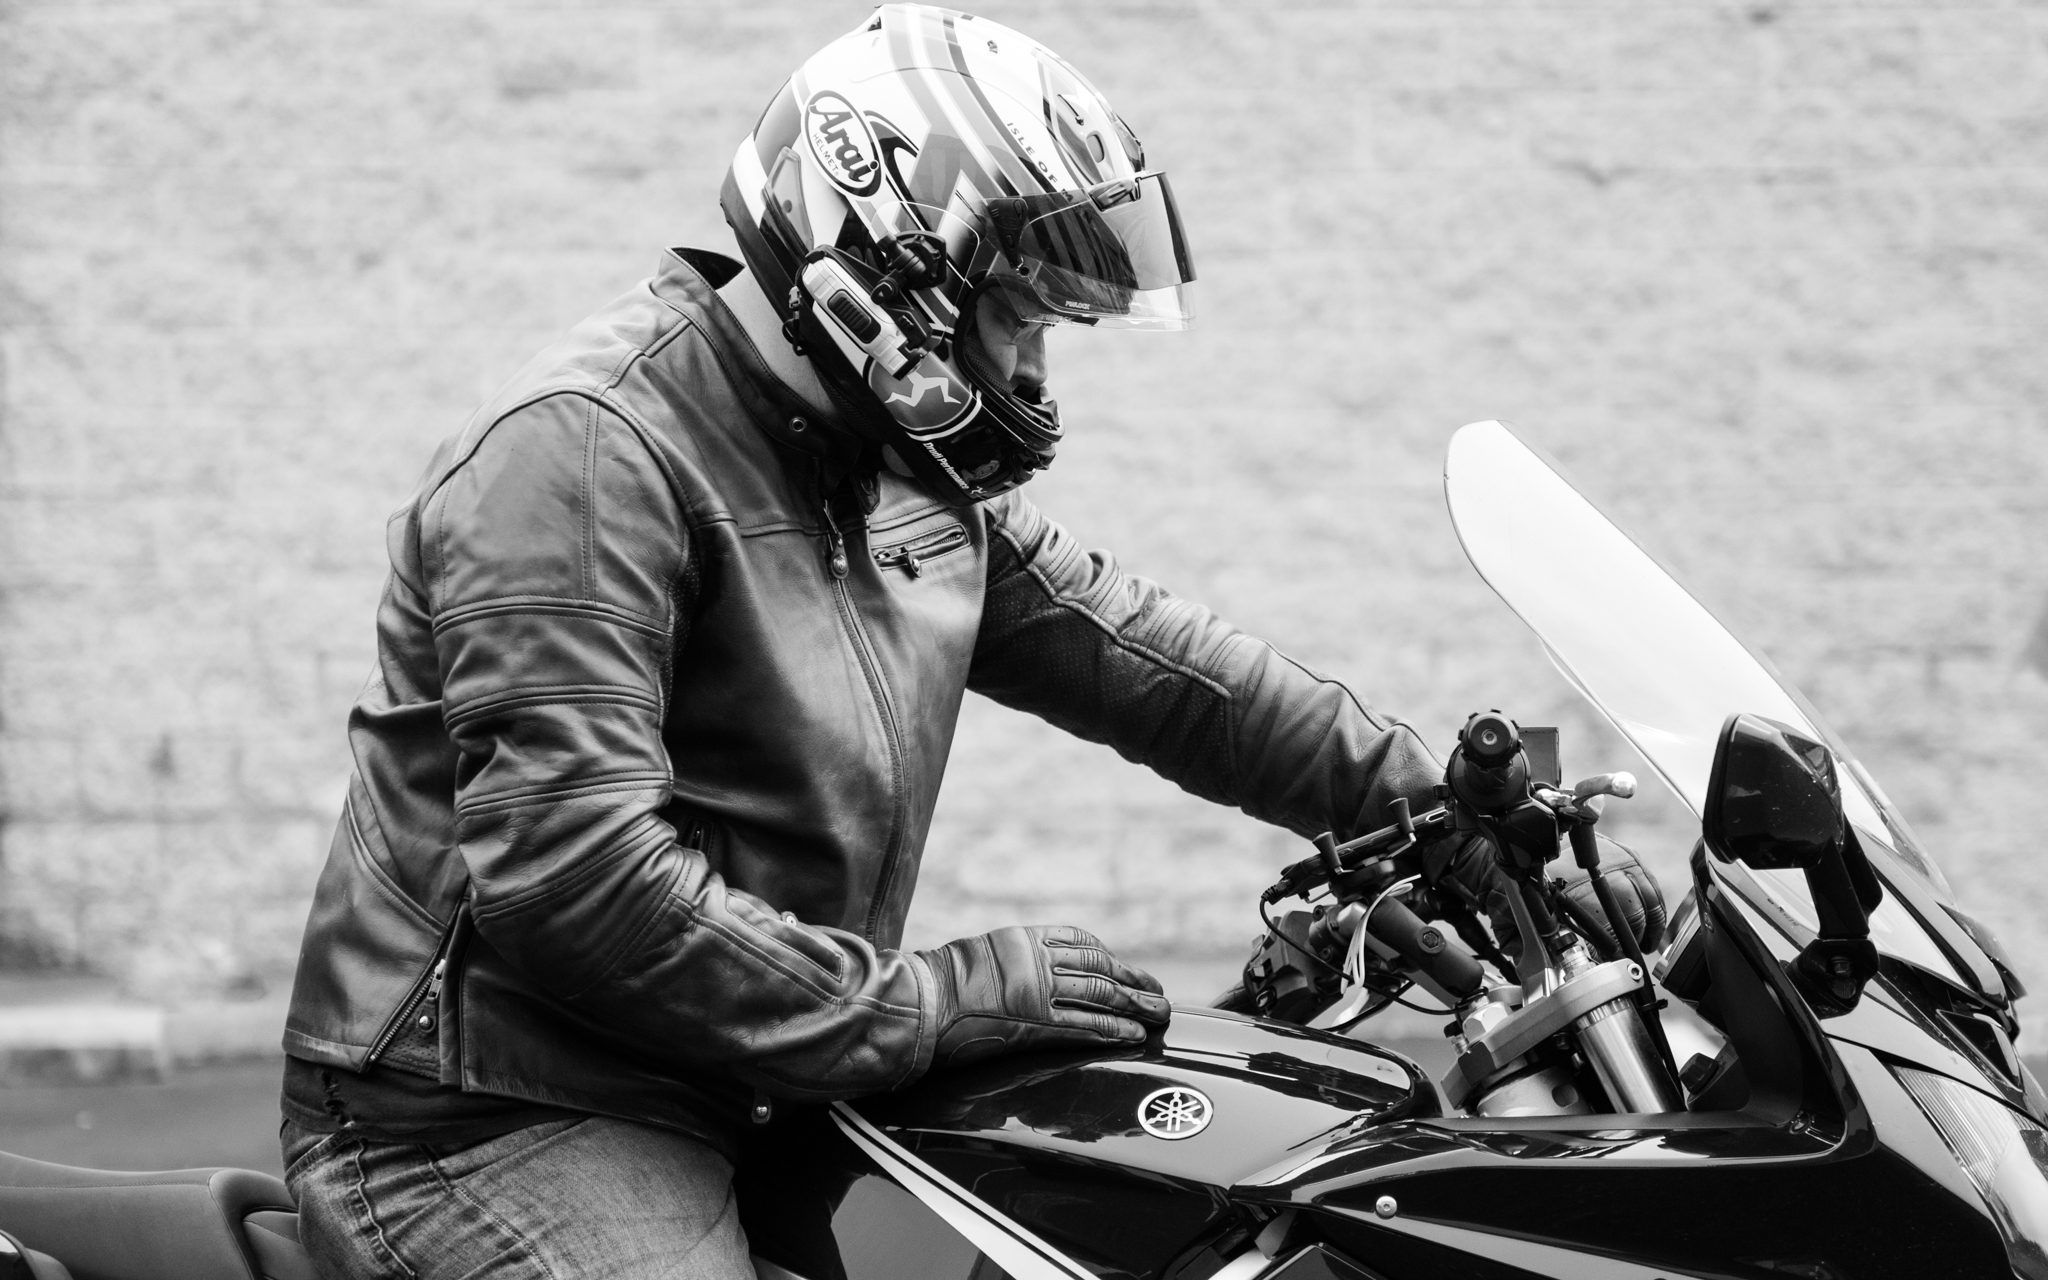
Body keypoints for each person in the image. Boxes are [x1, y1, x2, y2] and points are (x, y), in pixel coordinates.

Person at [277, 6, 1603, 1277]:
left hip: (737, 1074)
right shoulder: (585, 459)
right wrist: (931, 1002)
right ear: (891, 277)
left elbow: (1157, 667)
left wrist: (1447, 804)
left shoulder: (893, 469)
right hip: (488, 1116)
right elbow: (579, 884)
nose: (1034, 378)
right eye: (1020, 317)